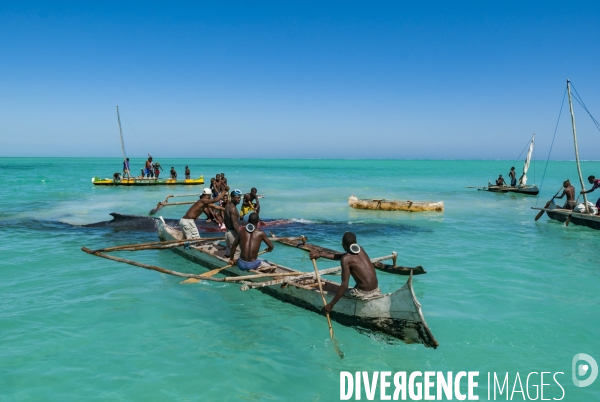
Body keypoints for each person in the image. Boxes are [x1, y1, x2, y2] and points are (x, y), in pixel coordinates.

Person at [309, 232, 381, 313]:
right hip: (376, 289)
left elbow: (344, 285)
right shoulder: (361, 249)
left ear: (343, 245)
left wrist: (331, 305)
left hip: (364, 293)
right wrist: (320, 254)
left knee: (341, 292)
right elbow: (342, 256)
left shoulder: (346, 259)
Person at [224, 189, 243, 258]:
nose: (239, 199)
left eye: (240, 197)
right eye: (237, 197)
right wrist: (241, 236)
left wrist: (228, 230)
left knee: (228, 252)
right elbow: (235, 224)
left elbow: (225, 220)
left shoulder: (227, 206)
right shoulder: (233, 208)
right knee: (237, 251)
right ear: (232, 197)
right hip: (232, 233)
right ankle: (234, 266)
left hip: (228, 231)